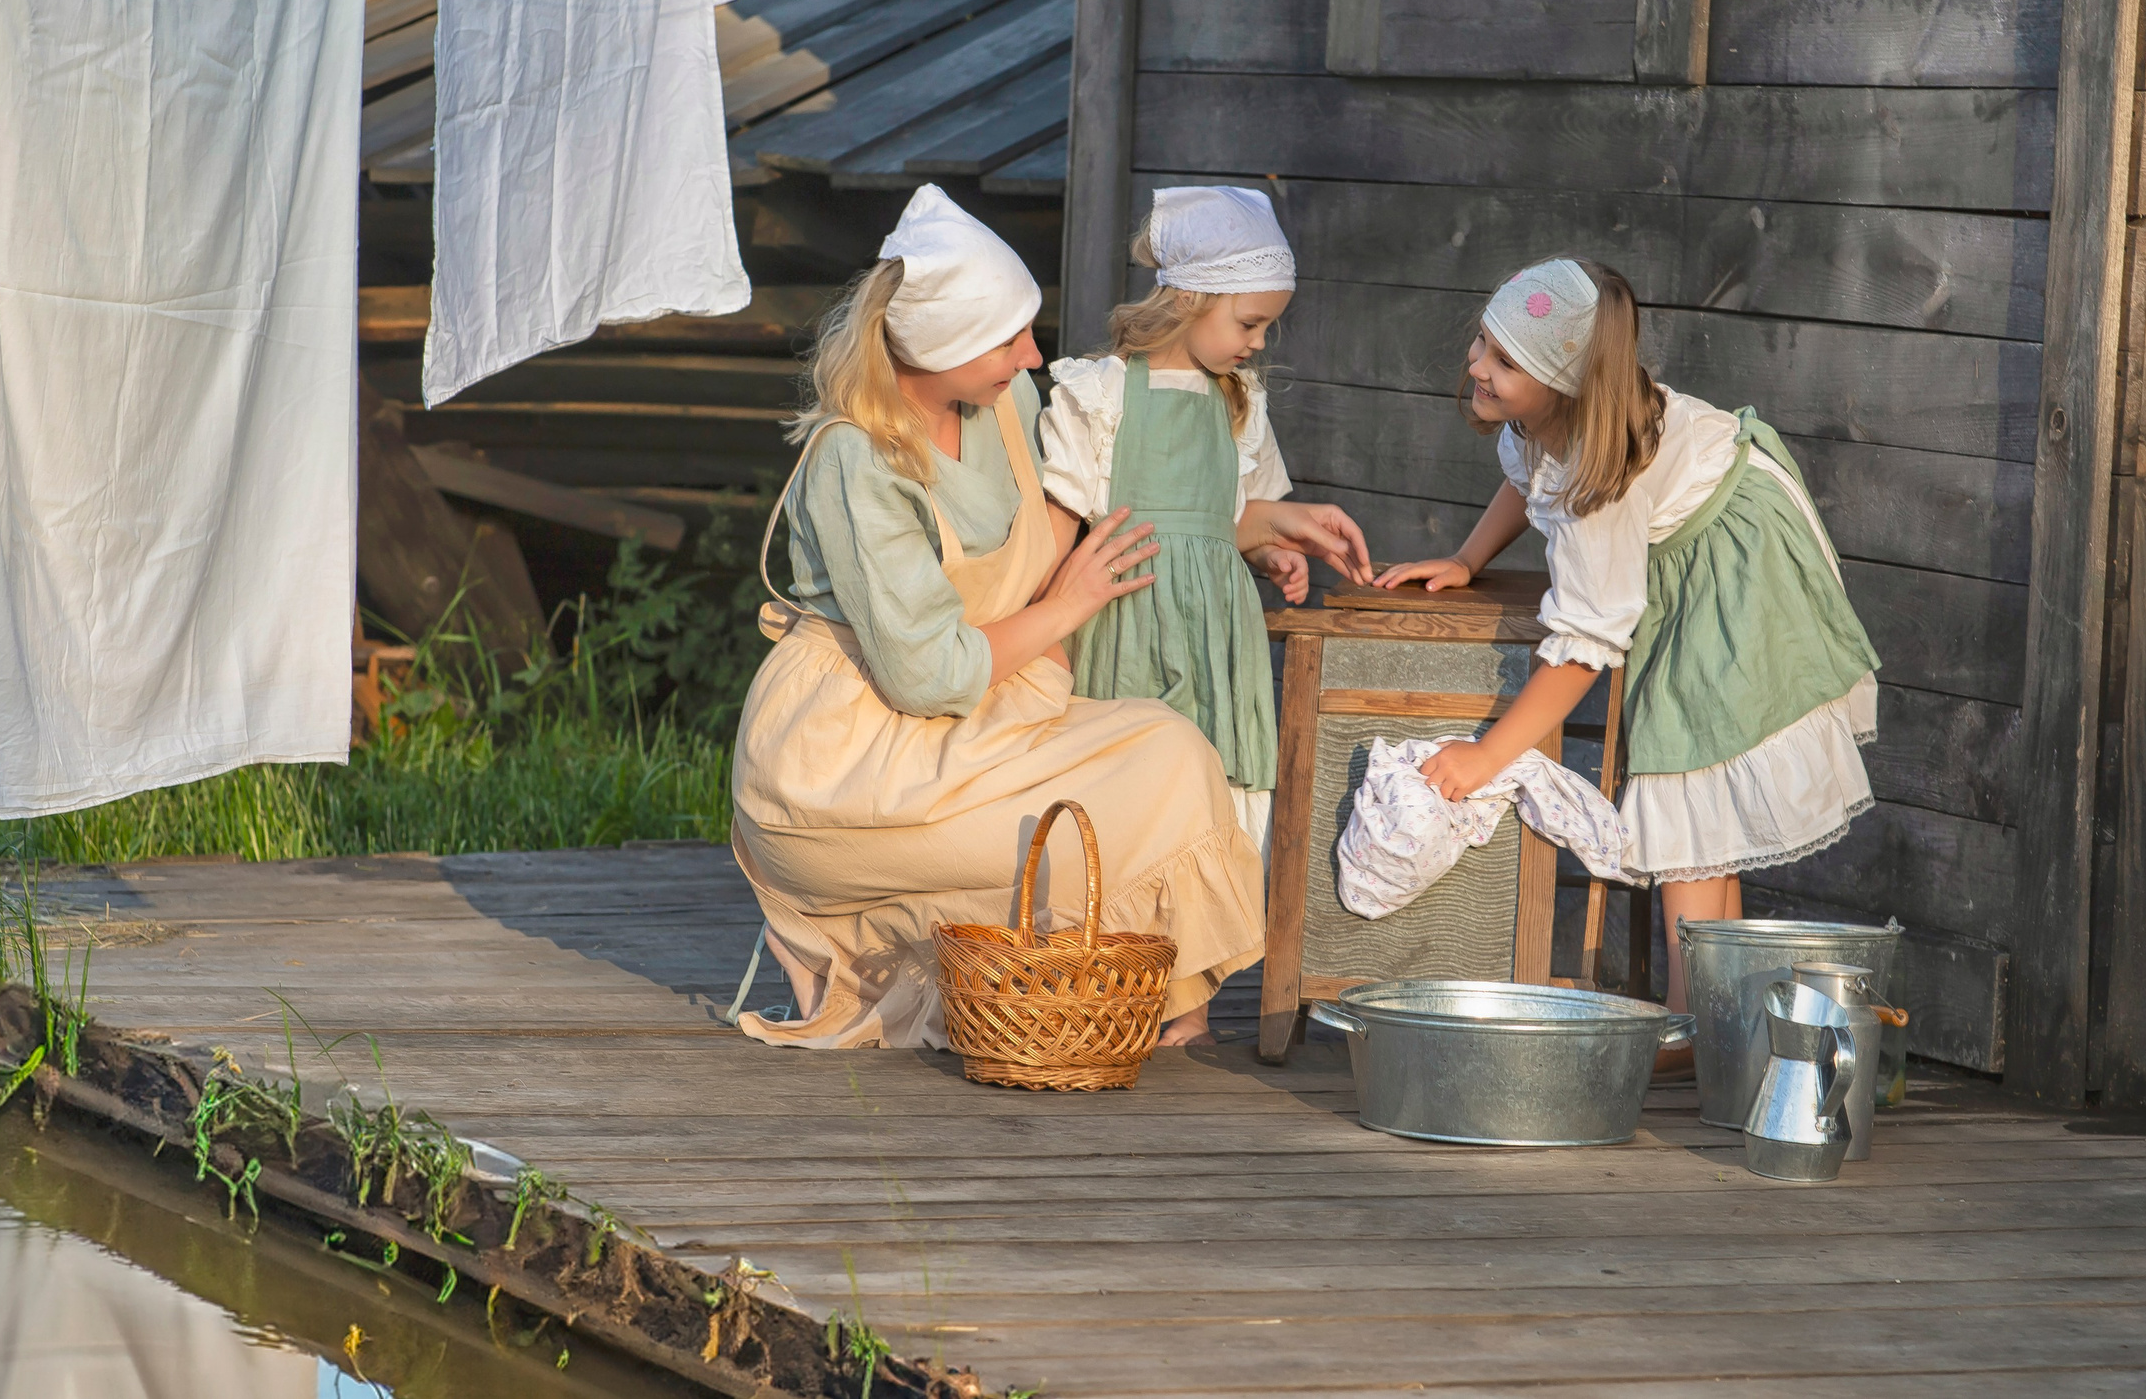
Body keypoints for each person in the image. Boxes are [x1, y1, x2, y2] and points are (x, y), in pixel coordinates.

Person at [731, 184, 1266, 1052]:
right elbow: (925, 673)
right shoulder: (857, 459)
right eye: (1006, 337)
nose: (1030, 353)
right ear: (939, 346)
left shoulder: (1004, 404)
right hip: (851, 757)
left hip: (980, 716)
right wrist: (1068, 606)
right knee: (1068, 836)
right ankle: (849, 923)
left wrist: (1264, 529)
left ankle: (1141, 999)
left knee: (1172, 755)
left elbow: (1069, 511)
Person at [1372, 257, 1880, 1060]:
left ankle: (1687, 1023)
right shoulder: (1548, 429)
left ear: (1563, 387)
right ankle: (1720, 1013)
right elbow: (1523, 480)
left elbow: (1584, 646)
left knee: (1688, 785)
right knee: (1701, 801)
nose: (1475, 363)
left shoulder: (1598, 479)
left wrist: (1488, 754)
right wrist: (1468, 557)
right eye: (1483, 342)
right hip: (1698, 536)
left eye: (1504, 361)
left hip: (1733, 560)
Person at [1037, 186, 1373, 861]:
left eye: (1266, 327)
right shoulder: (1100, 395)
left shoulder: (1240, 402)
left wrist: (1281, 534)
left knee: (1214, 803)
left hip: (1218, 641)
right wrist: (1043, 649)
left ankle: (1196, 962)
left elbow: (1223, 524)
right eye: (1249, 323)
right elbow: (1052, 544)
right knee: (1125, 809)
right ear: (1188, 298)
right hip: (1123, 631)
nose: (1258, 342)